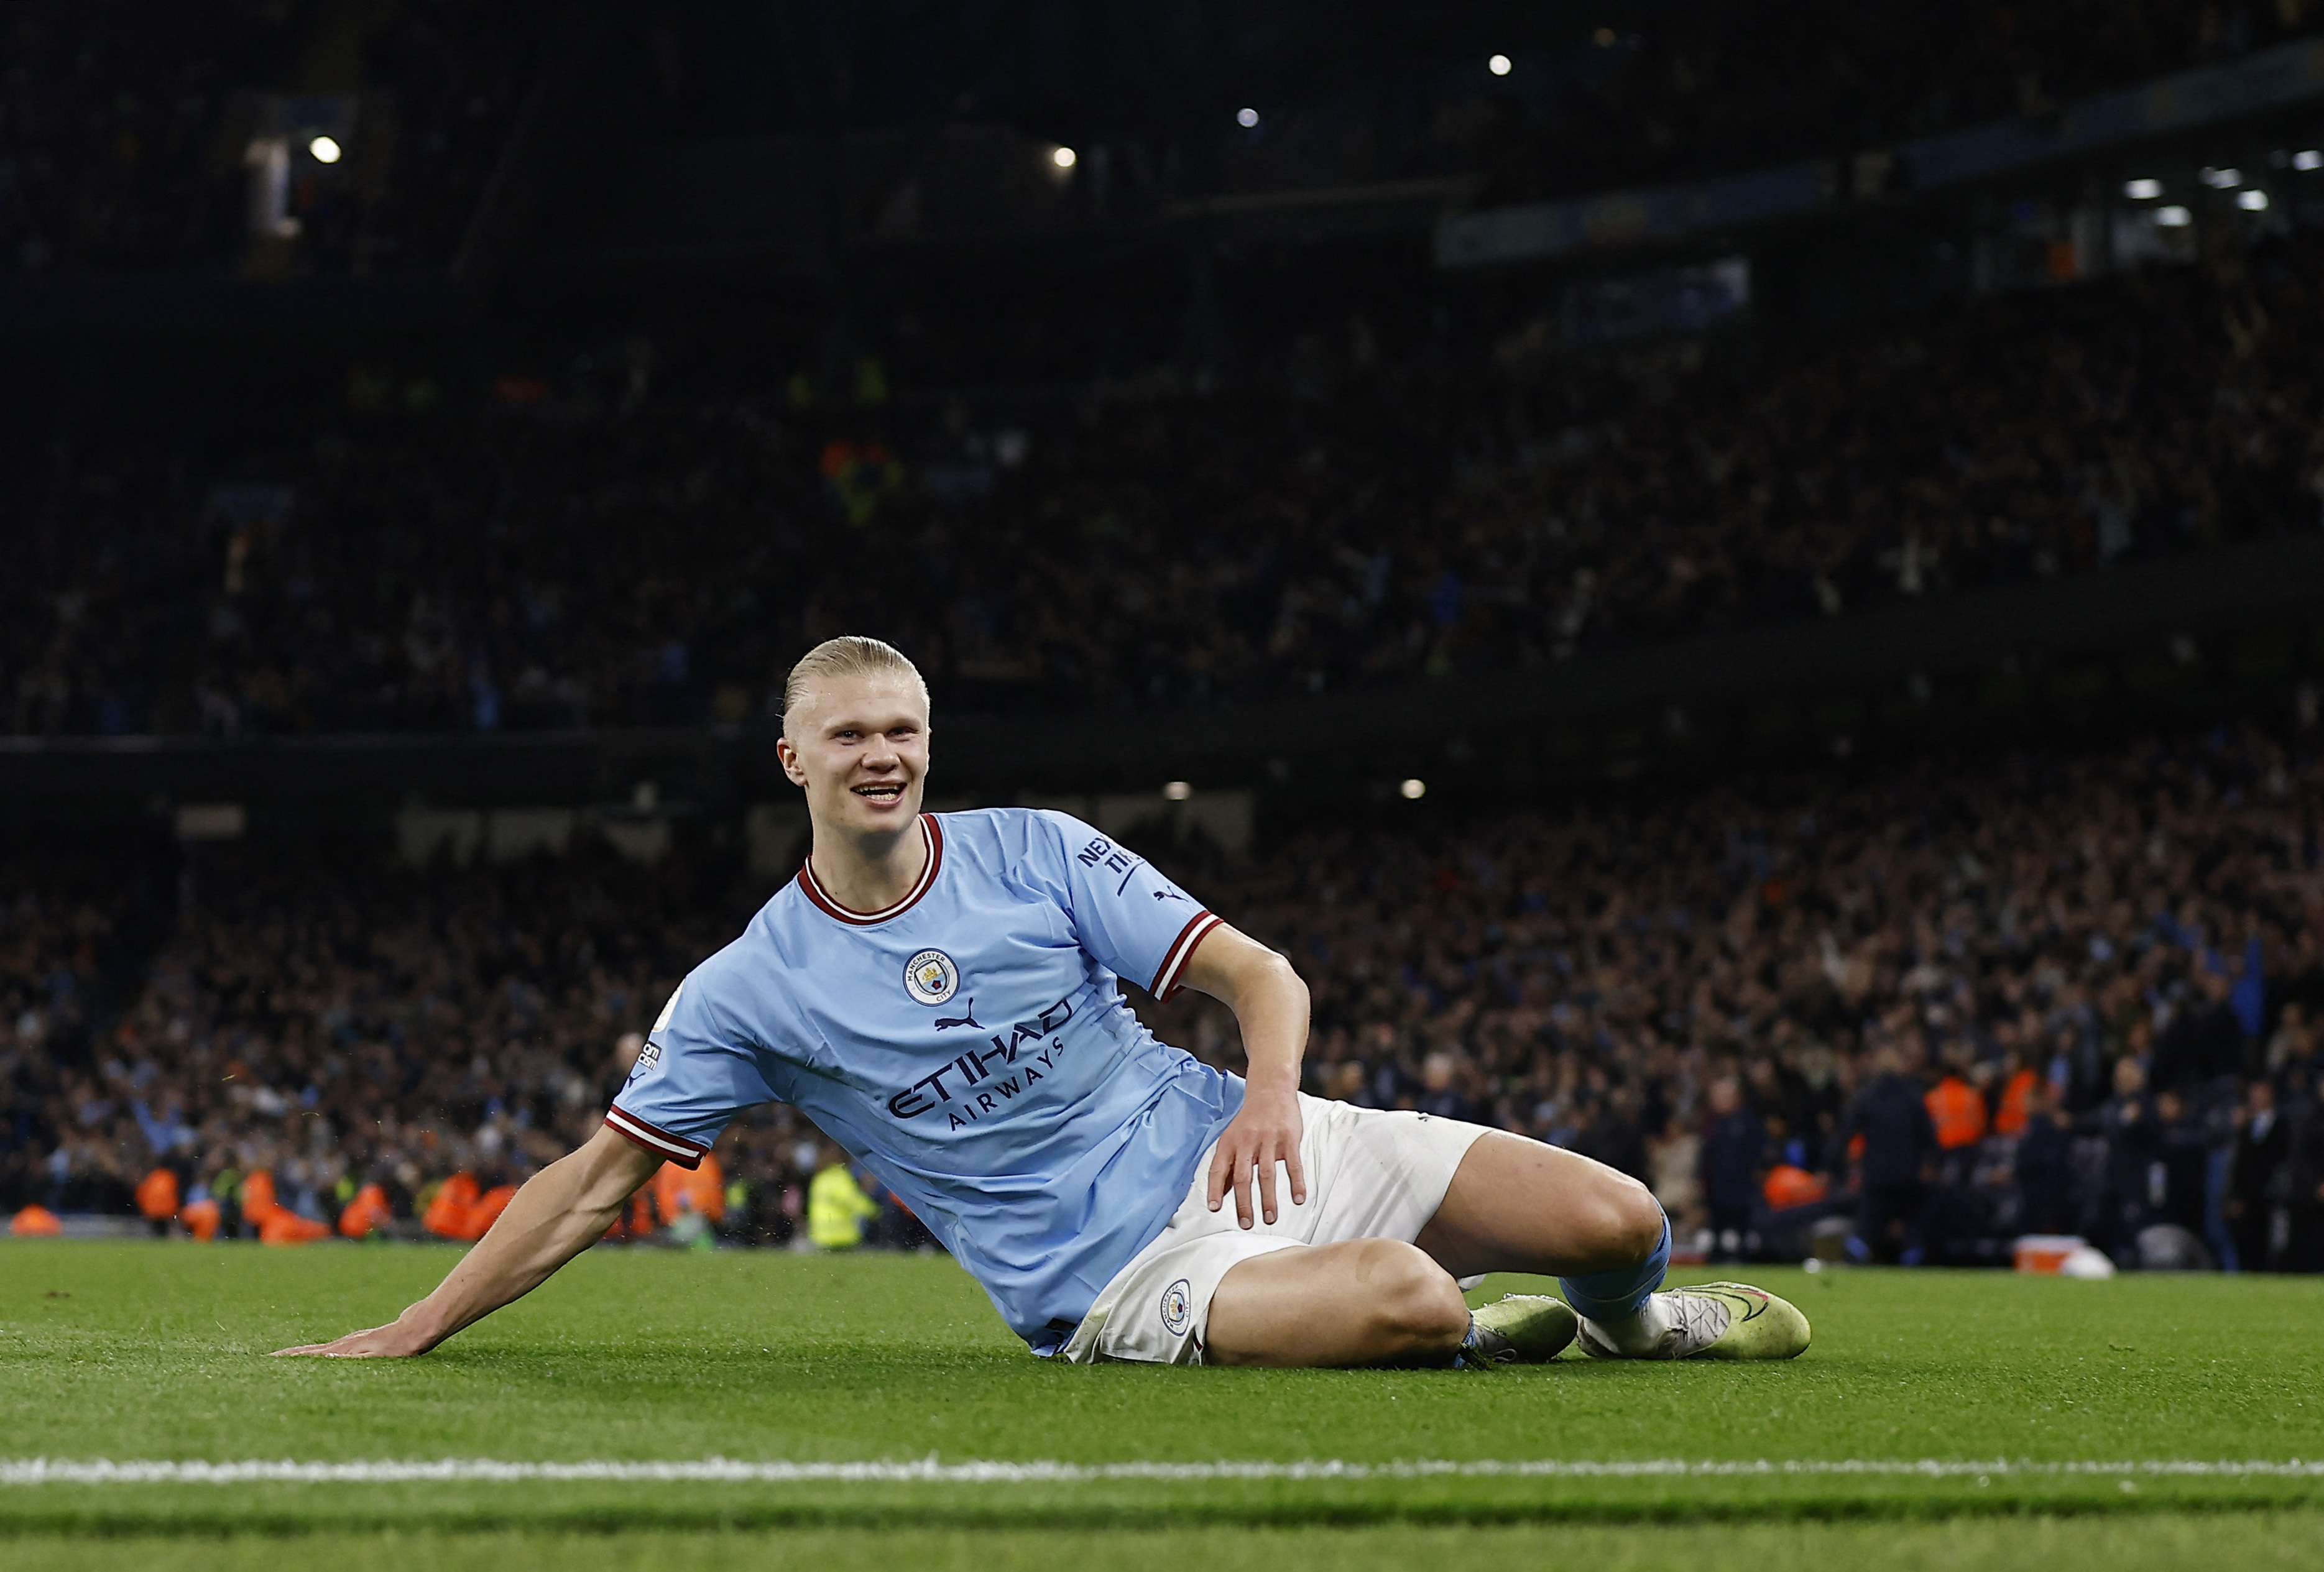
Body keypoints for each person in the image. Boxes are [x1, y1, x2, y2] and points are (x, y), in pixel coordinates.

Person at [277, 637, 1807, 1369]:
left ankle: (1639, 1332)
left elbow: (1257, 974)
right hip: (1121, 1273)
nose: (885, 752)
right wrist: (417, 1323)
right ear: (795, 762)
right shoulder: (751, 984)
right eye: (852, 733)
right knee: (1411, 1301)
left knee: (1614, 1217)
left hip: (1261, 1143)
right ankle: (1475, 1338)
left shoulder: (1037, 853)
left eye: (907, 727)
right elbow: (594, 1183)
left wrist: (1272, 1087)